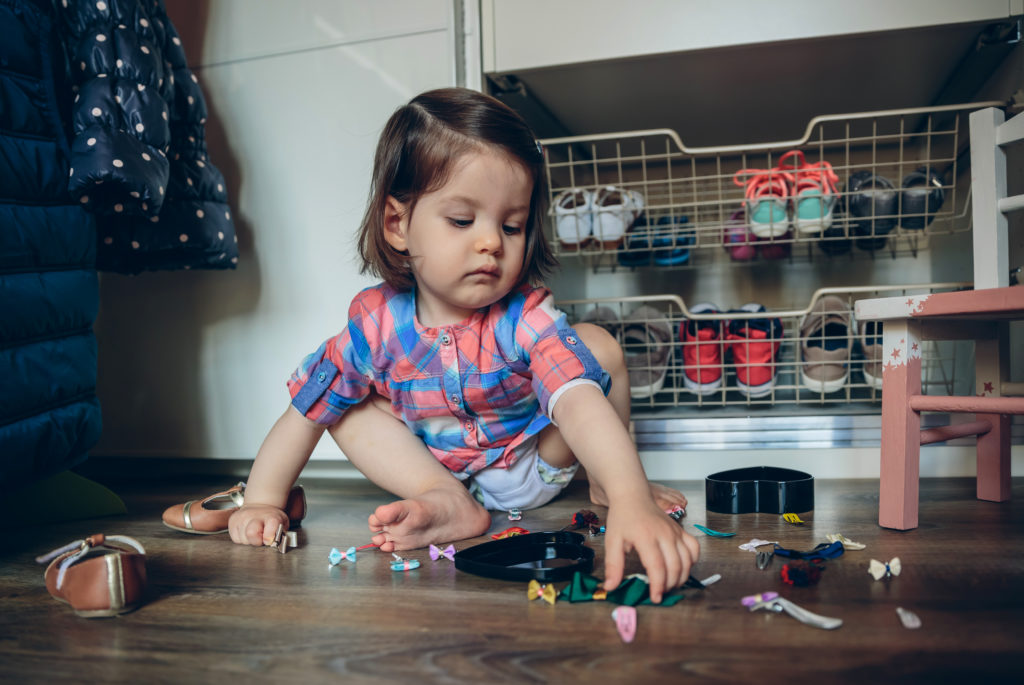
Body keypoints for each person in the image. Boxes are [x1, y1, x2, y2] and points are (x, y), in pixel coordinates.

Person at [228, 87, 699, 602]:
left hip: (532, 461)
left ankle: (610, 485)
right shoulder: (375, 325)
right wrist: (262, 500)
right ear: (397, 224)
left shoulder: (526, 318)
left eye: (511, 225)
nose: (491, 241)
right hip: (432, 468)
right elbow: (304, 410)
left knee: (596, 348)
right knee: (341, 403)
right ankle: (447, 501)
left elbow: (578, 401)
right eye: (461, 220)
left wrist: (633, 496)